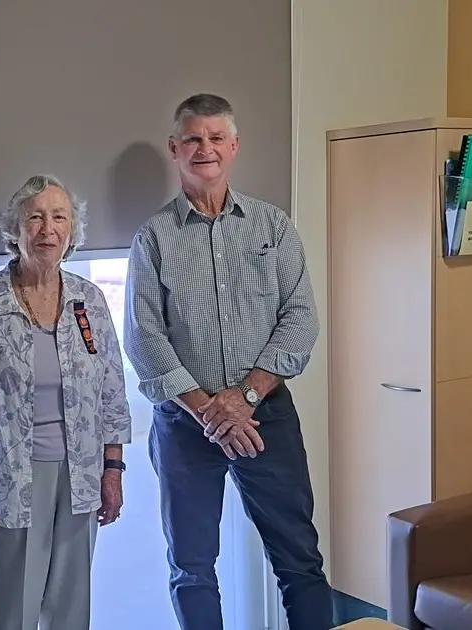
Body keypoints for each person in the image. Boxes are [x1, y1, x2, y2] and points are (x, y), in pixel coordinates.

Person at [123, 93, 333, 630]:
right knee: (191, 568)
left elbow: (301, 318)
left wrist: (244, 398)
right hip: (185, 424)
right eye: (193, 138)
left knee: (300, 561)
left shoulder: (273, 226)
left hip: (266, 415)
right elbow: (144, 338)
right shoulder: (152, 238)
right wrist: (210, 412)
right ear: (175, 148)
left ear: (234, 146)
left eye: (216, 138)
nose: (205, 148)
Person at [0, 174, 132, 630]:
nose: (47, 228)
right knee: (16, 607)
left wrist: (113, 471)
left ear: (72, 231)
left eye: (59, 217)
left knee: (71, 606)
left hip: (82, 475)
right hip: (9, 478)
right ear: (16, 229)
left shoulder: (89, 301)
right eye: (35, 217)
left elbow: (112, 390)